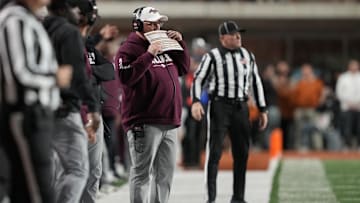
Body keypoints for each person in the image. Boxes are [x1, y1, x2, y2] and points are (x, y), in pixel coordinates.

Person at [115, 6, 190, 203]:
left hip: (169, 120)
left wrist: (180, 43)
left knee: (164, 175)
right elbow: (125, 77)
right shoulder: (127, 49)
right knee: (141, 173)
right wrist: (148, 54)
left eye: (159, 23)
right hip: (145, 121)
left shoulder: (163, 44)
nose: (157, 27)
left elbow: (183, 68)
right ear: (137, 25)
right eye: (152, 23)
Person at [0, 0, 71, 202]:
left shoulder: (29, 19)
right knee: (37, 191)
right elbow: (19, 71)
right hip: (26, 114)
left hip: (37, 114)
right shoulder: (14, 19)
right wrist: (55, 78)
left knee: (29, 190)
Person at [191, 21, 268, 203]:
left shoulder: (247, 55)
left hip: (241, 107)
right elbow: (198, 78)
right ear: (222, 38)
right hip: (219, 105)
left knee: (242, 152)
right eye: (233, 34)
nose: (238, 37)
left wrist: (262, 108)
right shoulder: (213, 56)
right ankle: (210, 197)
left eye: (239, 33)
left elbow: (255, 81)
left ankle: (238, 197)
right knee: (215, 151)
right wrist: (196, 101)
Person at [44, 0, 101, 202]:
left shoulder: (37, 27)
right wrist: (92, 110)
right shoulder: (68, 32)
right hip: (64, 110)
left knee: (48, 171)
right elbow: (79, 75)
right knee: (77, 170)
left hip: (37, 110)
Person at [336, 59, 360, 149]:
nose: (354, 67)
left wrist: (358, 102)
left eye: (356, 65)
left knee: (358, 128)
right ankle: (347, 145)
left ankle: (358, 145)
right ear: (349, 67)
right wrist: (348, 102)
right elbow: (338, 92)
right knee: (347, 128)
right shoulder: (343, 77)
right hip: (346, 106)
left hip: (359, 107)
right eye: (352, 65)